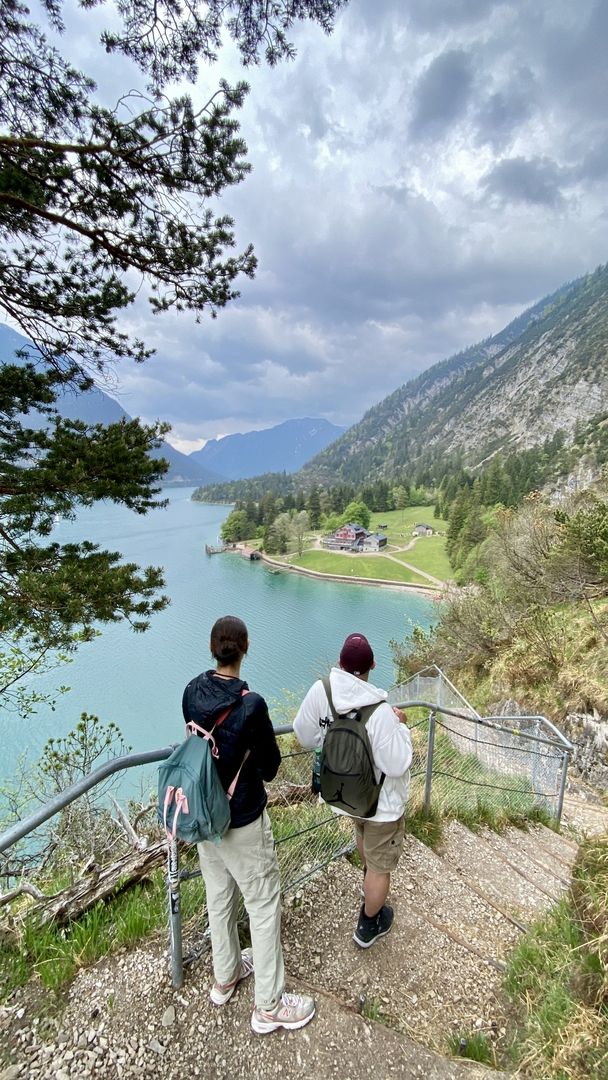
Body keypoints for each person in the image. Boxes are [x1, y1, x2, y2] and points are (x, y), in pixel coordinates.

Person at [182, 614, 315, 1034]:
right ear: (246, 648)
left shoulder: (191, 692)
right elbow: (270, 768)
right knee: (262, 904)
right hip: (242, 820)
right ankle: (269, 1005)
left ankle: (225, 977)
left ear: (212, 649)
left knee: (219, 898)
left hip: (205, 817)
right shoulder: (251, 705)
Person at [293, 632, 413, 948]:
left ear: (340, 663)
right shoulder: (381, 711)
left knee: (361, 832)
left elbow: (303, 735)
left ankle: (368, 883)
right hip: (380, 803)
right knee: (380, 866)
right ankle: (369, 924)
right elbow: (397, 764)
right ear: (372, 665)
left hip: (344, 794)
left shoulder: (322, 691)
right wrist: (402, 727)